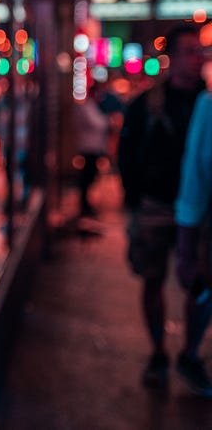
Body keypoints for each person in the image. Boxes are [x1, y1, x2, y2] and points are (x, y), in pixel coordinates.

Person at [118, 25, 207, 390]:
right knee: (152, 278)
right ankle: (158, 352)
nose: (196, 58)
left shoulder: (208, 102)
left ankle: (190, 353)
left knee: (201, 284)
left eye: (199, 50)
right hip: (156, 205)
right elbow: (126, 154)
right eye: (187, 51)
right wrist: (134, 202)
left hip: (201, 211)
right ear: (171, 57)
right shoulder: (147, 104)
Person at [175, 90, 212, 396]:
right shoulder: (208, 105)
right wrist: (186, 246)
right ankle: (190, 353)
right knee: (202, 293)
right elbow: (195, 176)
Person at [74, 87, 110, 218]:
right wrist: (108, 121)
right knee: (87, 177)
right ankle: (84, 205)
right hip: (88, 147)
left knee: (90, 176)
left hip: (92, 147)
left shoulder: (92, 107)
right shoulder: (86, 107)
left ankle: (86, 204)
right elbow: (98, 124)